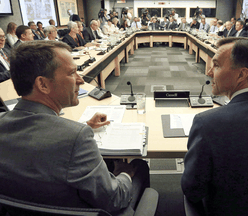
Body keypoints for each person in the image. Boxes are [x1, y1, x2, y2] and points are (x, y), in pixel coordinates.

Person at [0, 40, 150, 215]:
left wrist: (86, 126)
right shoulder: (76, 138)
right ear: (43, 85)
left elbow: (37, 138)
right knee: (139, 166)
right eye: (72, 73)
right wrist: (124, 174)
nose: (80, 80)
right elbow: (114, 199)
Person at [182, 37, 248, 215]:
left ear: (241, 74)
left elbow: (193, 189)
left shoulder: (207, 123)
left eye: (216, 65)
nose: (209, 72)